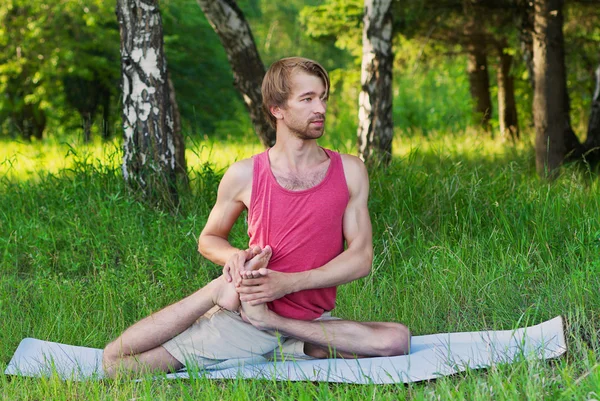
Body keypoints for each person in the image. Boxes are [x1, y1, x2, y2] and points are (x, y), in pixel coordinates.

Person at [102, 57, 410, 378]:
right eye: (307, 99)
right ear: (277, 108)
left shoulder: (350, 170)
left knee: (396, 339)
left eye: (323, 98)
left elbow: (361, 258)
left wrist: (288, 284)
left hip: (306, 323)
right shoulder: (245, 174)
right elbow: (209, 239)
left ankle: (280, 336)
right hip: (244, 319)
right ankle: (217, 293)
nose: (320, 108)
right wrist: (235, 259)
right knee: (118, 364)